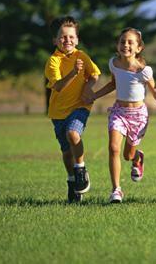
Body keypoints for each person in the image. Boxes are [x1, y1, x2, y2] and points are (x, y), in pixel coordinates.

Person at [93, 27, 156, 204]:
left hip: (138, 116)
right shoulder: (113, 64)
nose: (126, 45)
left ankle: (138, 157)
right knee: (113, 148)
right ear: (117, 45)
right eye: (122, 41)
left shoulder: (144, 70)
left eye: (130, 42)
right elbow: (112, 84)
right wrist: (94, 96)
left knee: (127, 156)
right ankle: (116, 190)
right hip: (119, 112)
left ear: (139, 48)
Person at [45, 16, 101, 203]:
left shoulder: (81, 56)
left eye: (71, 37)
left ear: (77, 39)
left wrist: (87, 87)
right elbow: (59, 86)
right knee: (66, 152)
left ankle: (81, 169)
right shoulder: (53, 61)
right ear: (55, 40)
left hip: (80, 106)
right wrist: (74, 73)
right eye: (63, 37)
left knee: (73, 134)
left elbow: (94, 74)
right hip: (58, 112)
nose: (67, 40)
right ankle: (72, 181)